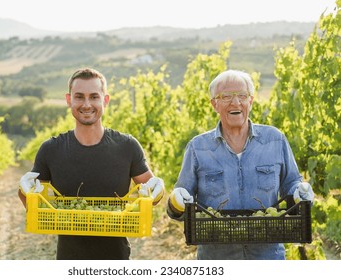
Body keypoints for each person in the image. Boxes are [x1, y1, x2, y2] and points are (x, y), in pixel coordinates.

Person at [18, 68, 164, 260]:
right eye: (79, 97)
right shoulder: (51, 149)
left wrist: (158, 189)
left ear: (105, 100)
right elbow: (30, 204)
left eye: (94, 97)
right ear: (69, 100)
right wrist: (23, 190)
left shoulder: (127, 146)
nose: (86, 104)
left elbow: (152, 195)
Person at [167, 69, 314, 260]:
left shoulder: (275, 140)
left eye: (242, 96)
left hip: (268, 257)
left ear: (250, 101)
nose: (235, 103)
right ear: (214, 104)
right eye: (226, 96)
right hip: (216, 260)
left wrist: (300, 192)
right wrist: (176, 200)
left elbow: (292, 185)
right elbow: (178, 208)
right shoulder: (198, 148)